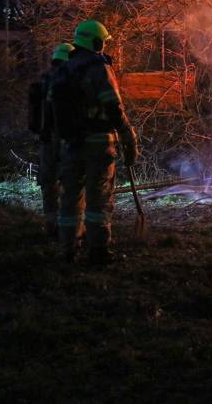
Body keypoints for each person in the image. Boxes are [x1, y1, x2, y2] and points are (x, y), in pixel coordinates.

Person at [53, 20, 138, 264]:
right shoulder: (98, 68)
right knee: (98, 197)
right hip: (99, 143)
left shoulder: (65, 69)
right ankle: (98, 250)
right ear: (97, 42)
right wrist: (127, 135)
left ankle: (67, 248)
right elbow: (113, 106)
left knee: (70, 197)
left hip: (71, 144)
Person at [37, 43, 73, 238]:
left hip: (45, 140)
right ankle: (69, 226)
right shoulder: (67, 80)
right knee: (70, 182)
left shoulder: (43, 80)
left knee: (49, 183)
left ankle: (51, 224)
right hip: (65, 140)